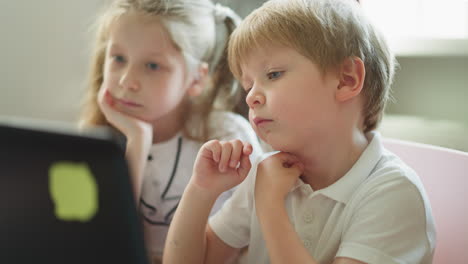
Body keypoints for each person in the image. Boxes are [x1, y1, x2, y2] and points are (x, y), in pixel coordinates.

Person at [163, 0, 436, 263]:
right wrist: (201, 190)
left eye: (272, 74)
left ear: (346, 79)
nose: (251, 98)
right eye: (248, 86)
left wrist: (270, 207)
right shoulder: (265, 174)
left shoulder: (394, 193)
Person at [78, 0, 263, 261]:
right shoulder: (97, 139)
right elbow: (101, 241)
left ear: (197, 79)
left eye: (152, 66)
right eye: (118, 58)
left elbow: (256, 236)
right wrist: (137, 140)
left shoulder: (227, 137)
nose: (126, 81)